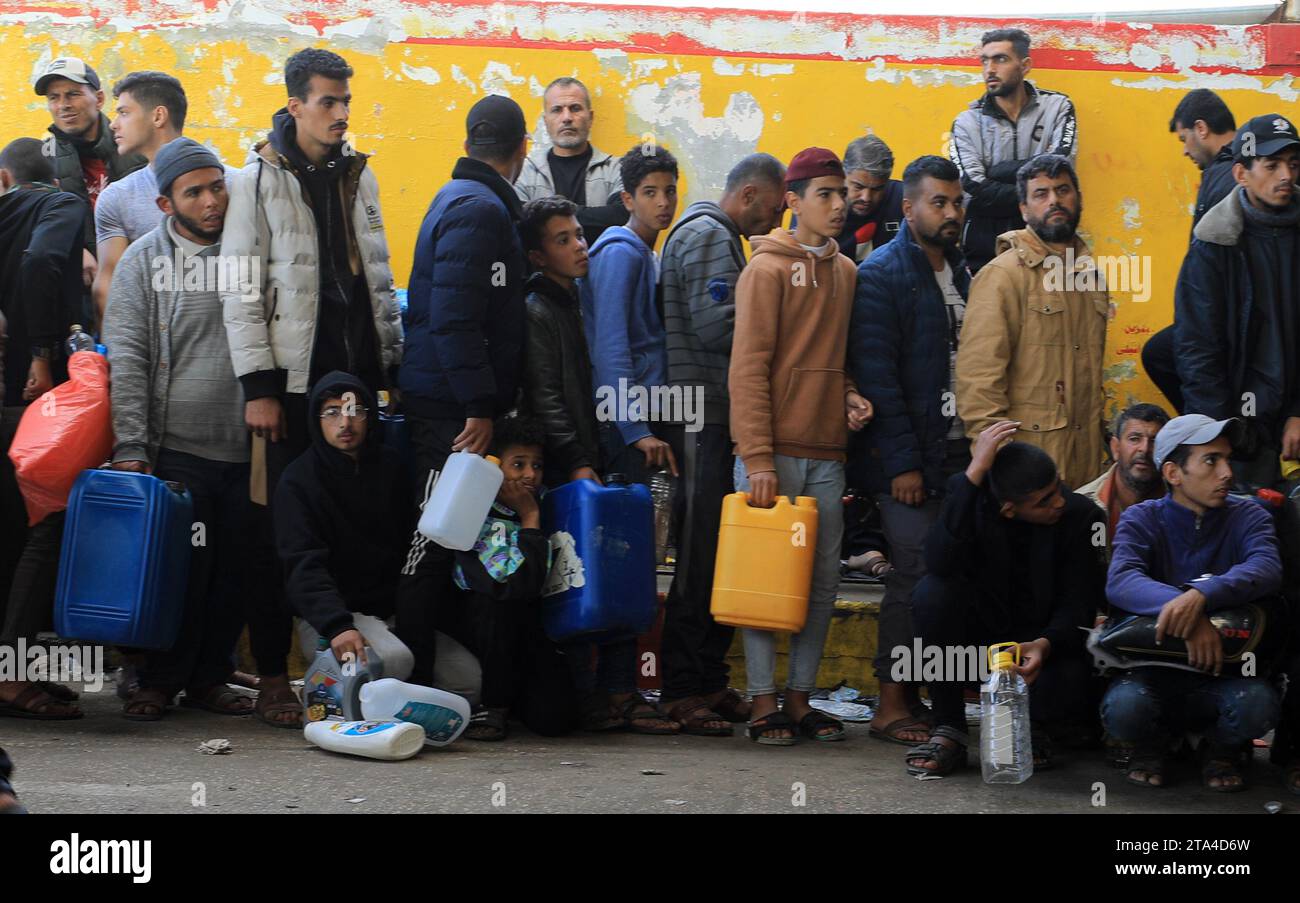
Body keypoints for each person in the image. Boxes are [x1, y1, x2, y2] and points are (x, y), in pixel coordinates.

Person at [221, 47, 403, 727]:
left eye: (345, 101)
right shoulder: (255, 181)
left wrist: (390, 369)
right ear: (294, 103)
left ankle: (351, 661)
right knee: (273, 533)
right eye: (327, 100)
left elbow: (376, 279)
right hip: (292, 392)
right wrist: (259, 387)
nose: (340, 113)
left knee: (357, 524)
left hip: (353, 383)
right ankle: (273, 676)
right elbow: (240, 290)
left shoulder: (360, 174)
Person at [99, 138, 253, 720]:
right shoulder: (143, 261)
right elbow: (130, 360)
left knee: (232, 572)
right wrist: (133, 447)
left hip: (246, 450)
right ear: (167, 205)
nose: (212, 200)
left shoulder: (250, 250)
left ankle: (211, 676)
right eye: (196, 192)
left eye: (218, 186)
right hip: (177, 451)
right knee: (179, 570)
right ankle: (158, 680)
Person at [728, 147, 873, 745]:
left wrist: (851, 393)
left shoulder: (847, 273)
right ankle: (763, 702)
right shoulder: (764, 270)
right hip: (772, 455)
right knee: (764, 583)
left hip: (827, 455)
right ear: (792, 203)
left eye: (843, 194)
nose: (840, 205)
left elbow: (832, 360)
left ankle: (799, 698)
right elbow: (749, 369)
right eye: (826, 195)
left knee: (819, 585)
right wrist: (757, 458)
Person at [396, 94, 528, 689]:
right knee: (430, 544)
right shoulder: (479, 210)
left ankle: (438, 682)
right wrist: (478, 403)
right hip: (447, 410)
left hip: (447, 401)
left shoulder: (463, 200)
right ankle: (412, 682)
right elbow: (453, 317)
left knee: (447, 543)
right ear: (522, 150)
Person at [657, 152, 787, 735]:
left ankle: (708, 677)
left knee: (720, 556)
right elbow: (719, 326)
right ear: (752, 194)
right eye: (780, 203)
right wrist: (787, 308)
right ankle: (681, 688)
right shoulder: (710, 235)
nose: (782, 214)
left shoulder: (717, 234)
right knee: (700, 554)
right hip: (701, 416)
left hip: (713, 415)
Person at [848, 154, 972, 746]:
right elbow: (878, 379)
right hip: (909, 461)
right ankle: (891, 702)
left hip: (958, 455)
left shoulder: (963, 271)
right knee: (912, 578)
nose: (951, 214)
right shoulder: (881, 276)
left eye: (956, 203)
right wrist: (902, 465)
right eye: (938, 203)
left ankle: (923, 694)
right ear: (909, 208)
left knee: (945, 578)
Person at [905, 423, 1105, 776]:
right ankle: (949, 728)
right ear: (1008, 509)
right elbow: (938, 562)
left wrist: (1045, 644)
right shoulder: (970, 501)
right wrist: (974, 474)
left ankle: (1037, 726)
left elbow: (1080, 604)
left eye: (1056, 487)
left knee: (1071, 683)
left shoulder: (1081, 517)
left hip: (1044, 653)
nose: (1058, 501)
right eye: (1044, 500)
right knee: (931, 594)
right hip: (976, 657)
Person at [274, 371, 480, 706]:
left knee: (468, 684)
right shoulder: (298, 480)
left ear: (371, 417)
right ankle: (333, 699)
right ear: (316, 419)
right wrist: (337, 625)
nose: (346, 422)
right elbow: (302, 564)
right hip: (333, 621)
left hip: (391, 613)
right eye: (333, 412)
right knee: (395, 661)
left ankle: (385, 710)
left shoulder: (391, 467)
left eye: (356, 411)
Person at [1102, 414, 1282, 791]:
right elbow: (1121, 581)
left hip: (1227, 675)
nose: (1227, 473)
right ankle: (1154, 744)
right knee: (1124, 709)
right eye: (1211, 460)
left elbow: (1265, 567)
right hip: (1154, 673)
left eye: (1227, 459)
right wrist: (1189, 613)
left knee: (1257, 705)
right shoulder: (1142, 518)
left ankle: (1222, 748)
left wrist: (1201, 596)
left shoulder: (1248, 513)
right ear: (1173, 473)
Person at [956, 153, 1108, 490]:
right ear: (1023, 209)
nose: (1054, 200)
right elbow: (978, 382)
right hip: (1027, 474)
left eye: (1063, 190)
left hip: (1086, 472)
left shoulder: (1089, 277)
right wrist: (1004, 466)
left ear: (1078, 199)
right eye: (1041, 194)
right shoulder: (1002, 276)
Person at [0, 139, 87, 720]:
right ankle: (11, 675)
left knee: (10, 531)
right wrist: (42, 351)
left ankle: (16, 669)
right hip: (35, 402)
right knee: (48, 522)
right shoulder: (61, 205)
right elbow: (41, 262)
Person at [1173, 113, 1300, 491]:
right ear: (1241, 174)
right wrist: (1220, 434)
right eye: (1272, 165)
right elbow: (1198, 349)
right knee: (1252, 533)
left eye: (1293, 165)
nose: (1286, 176)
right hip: (1244, 427)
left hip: (1294, 415)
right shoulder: (1213, 244)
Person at [445, 416, 580, 740]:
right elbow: (514, 585)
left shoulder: (548, 506)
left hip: (527, 636)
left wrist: (532, 515)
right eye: (518, 464)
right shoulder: (477, 515)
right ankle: (493, 705)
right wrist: (530, 518)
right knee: (499, 605)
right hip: (482, 633)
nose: (530, 475)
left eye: (537, 465)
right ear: (494, 468)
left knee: (557, 720)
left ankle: (516, 697)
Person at [581, 142, 682, 484]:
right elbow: (610, 346)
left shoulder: (648, 253)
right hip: (624, 419)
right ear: (628, 200)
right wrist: (634, 428)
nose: (663, 202)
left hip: (650, 406)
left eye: (670, 191)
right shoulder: (619, 254)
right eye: (649, 192)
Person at [949, 28, 1077, 274]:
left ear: (1025, 65)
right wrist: (1036, 191)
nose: (990, 69)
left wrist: (997, 172)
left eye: (1000, 59)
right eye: (985, 60)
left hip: (1047, 239)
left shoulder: (1058, 107)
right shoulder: (966, 122)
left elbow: (1061, 167)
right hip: (983, 246)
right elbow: (973, 186)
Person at [1143, 89, 1237, 414]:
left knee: (1158, 354)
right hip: (1225, 317)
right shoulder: (1232, 171)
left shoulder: (1227, 177)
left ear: (1201, 128)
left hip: (1222, 320)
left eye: (1184, 138)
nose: (1185, 150)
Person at [33, 56, 147, 325]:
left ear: (99, 98)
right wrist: (74, 249)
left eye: (73, 94)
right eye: (54, 97)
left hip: (137, 282)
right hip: (75, 292)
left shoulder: (136, 148)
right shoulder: (43, 157)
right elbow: (37, 225)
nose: (63, 106)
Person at [92, 71, 188, 328]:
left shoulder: (230, 183)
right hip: (147, 348)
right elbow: (107, 287)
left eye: (123, 113)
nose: (113, 124)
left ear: (158, 116)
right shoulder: (117, 197)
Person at [519, 196, 600, 486]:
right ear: (538, 257)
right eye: (563, 240)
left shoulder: (580, 297)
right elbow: (546, 397)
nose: (579, 245)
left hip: (591, 449)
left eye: (579, 235)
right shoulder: (536, 311)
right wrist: (576, 460)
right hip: (562, 464)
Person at [514, 77, 627, 243]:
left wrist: (547, 216)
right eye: (557, 110)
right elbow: (519, 223)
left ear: (590, 117)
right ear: (546, 121)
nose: (567, 117)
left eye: (575, 108)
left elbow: (622, 216)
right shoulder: (525, 171)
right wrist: (594, 217)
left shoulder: (616, 168)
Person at [1076, 403, 1170, 542]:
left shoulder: (1185, 503)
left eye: (1154, 441)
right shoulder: (1082, 506)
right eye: (1134, 439)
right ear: (1116, 448)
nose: (1144, 449)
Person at [838, 135, 904, 262]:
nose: (866, 198)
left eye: (877, 189)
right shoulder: (819, 205)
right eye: (858, 186)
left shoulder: (904, 200)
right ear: (842, 174)